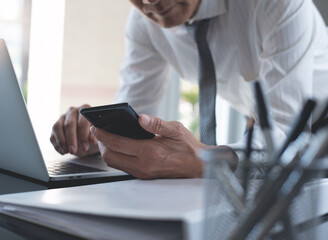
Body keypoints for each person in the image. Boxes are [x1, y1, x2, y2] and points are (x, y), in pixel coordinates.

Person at [50, 0, 328, 179]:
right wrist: (99, 134)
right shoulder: (143, 24)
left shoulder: (276, 4)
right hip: (268, 135)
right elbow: (136, 113)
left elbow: (287, 134)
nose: (150, 2)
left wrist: (209, 161)